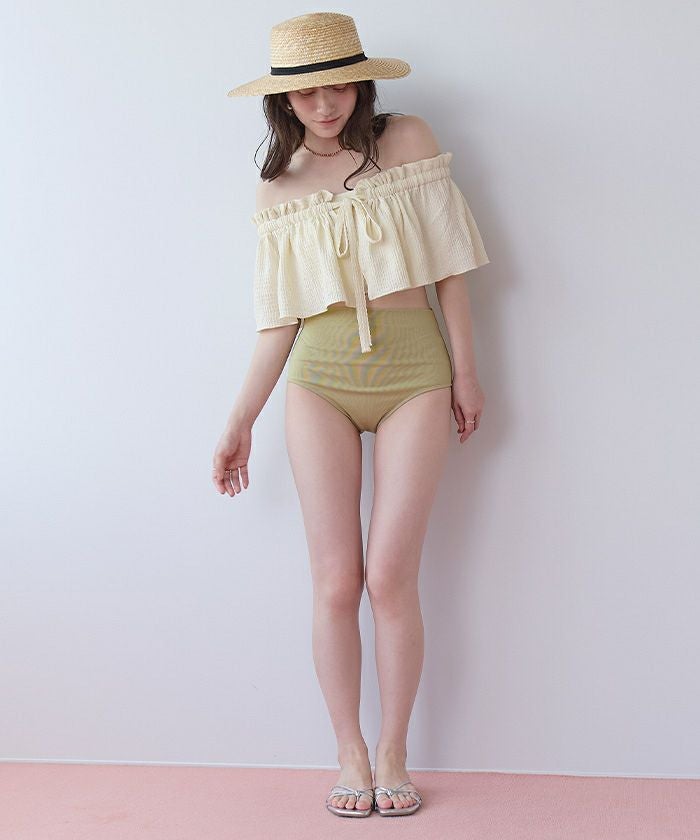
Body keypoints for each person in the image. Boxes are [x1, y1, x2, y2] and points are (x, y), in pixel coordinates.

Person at [212, 12, 490, 818]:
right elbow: (279, 322)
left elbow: (451, 268)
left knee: (390, 575)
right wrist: (240, 420)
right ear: (283, 101)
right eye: (306, 93)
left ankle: (395, 750)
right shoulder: (279, 186)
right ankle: (350, 753)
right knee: (336, 581)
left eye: (338, 86)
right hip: (320, 382)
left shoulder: (407, 140)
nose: (325, 104)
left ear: (362, 84)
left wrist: (466, 373)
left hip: (414, 375)